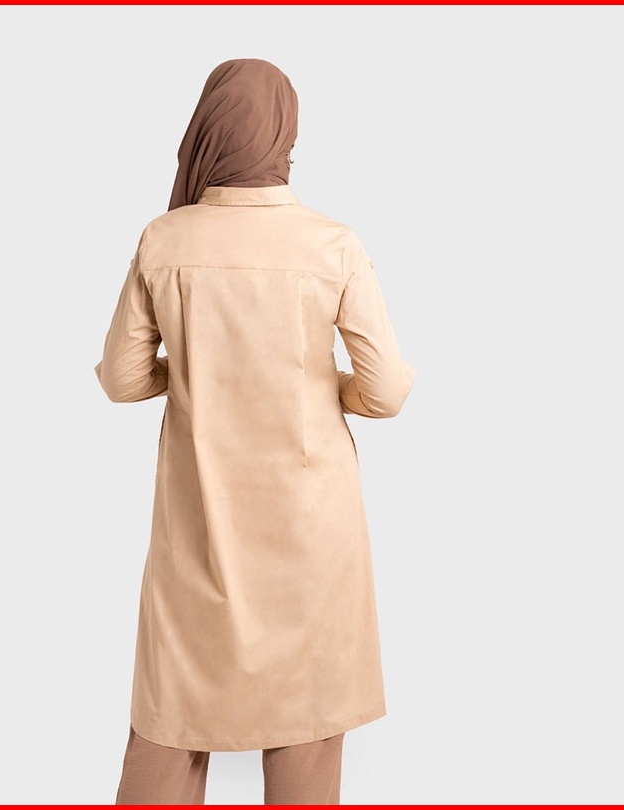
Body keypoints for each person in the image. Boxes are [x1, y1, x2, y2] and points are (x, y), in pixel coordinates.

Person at [94, 57, 416, 805]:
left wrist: (197, 373)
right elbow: (387, 391)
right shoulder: (332, 244)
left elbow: (121, 379)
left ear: (205, 131)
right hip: (311, 535)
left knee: (170, 721)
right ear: (284, 136)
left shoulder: (164, 240)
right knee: (307, 726)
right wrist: (324, 386)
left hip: (198, 531)